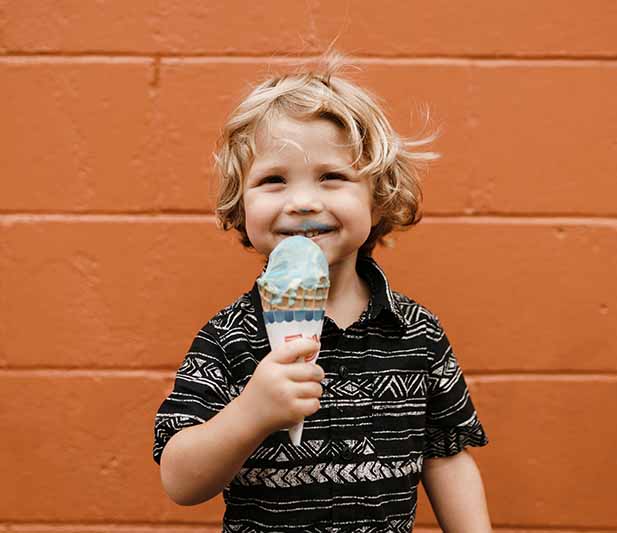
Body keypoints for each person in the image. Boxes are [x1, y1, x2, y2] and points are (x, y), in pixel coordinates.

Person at [153, 52, 492, 532]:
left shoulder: (418, 334)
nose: (303, 201)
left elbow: (445, 458)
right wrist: (252, 413)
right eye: (273, 180)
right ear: (240, 206)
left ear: (377, 201)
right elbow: (180, 480)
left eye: (332, 177)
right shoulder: (229, 337)